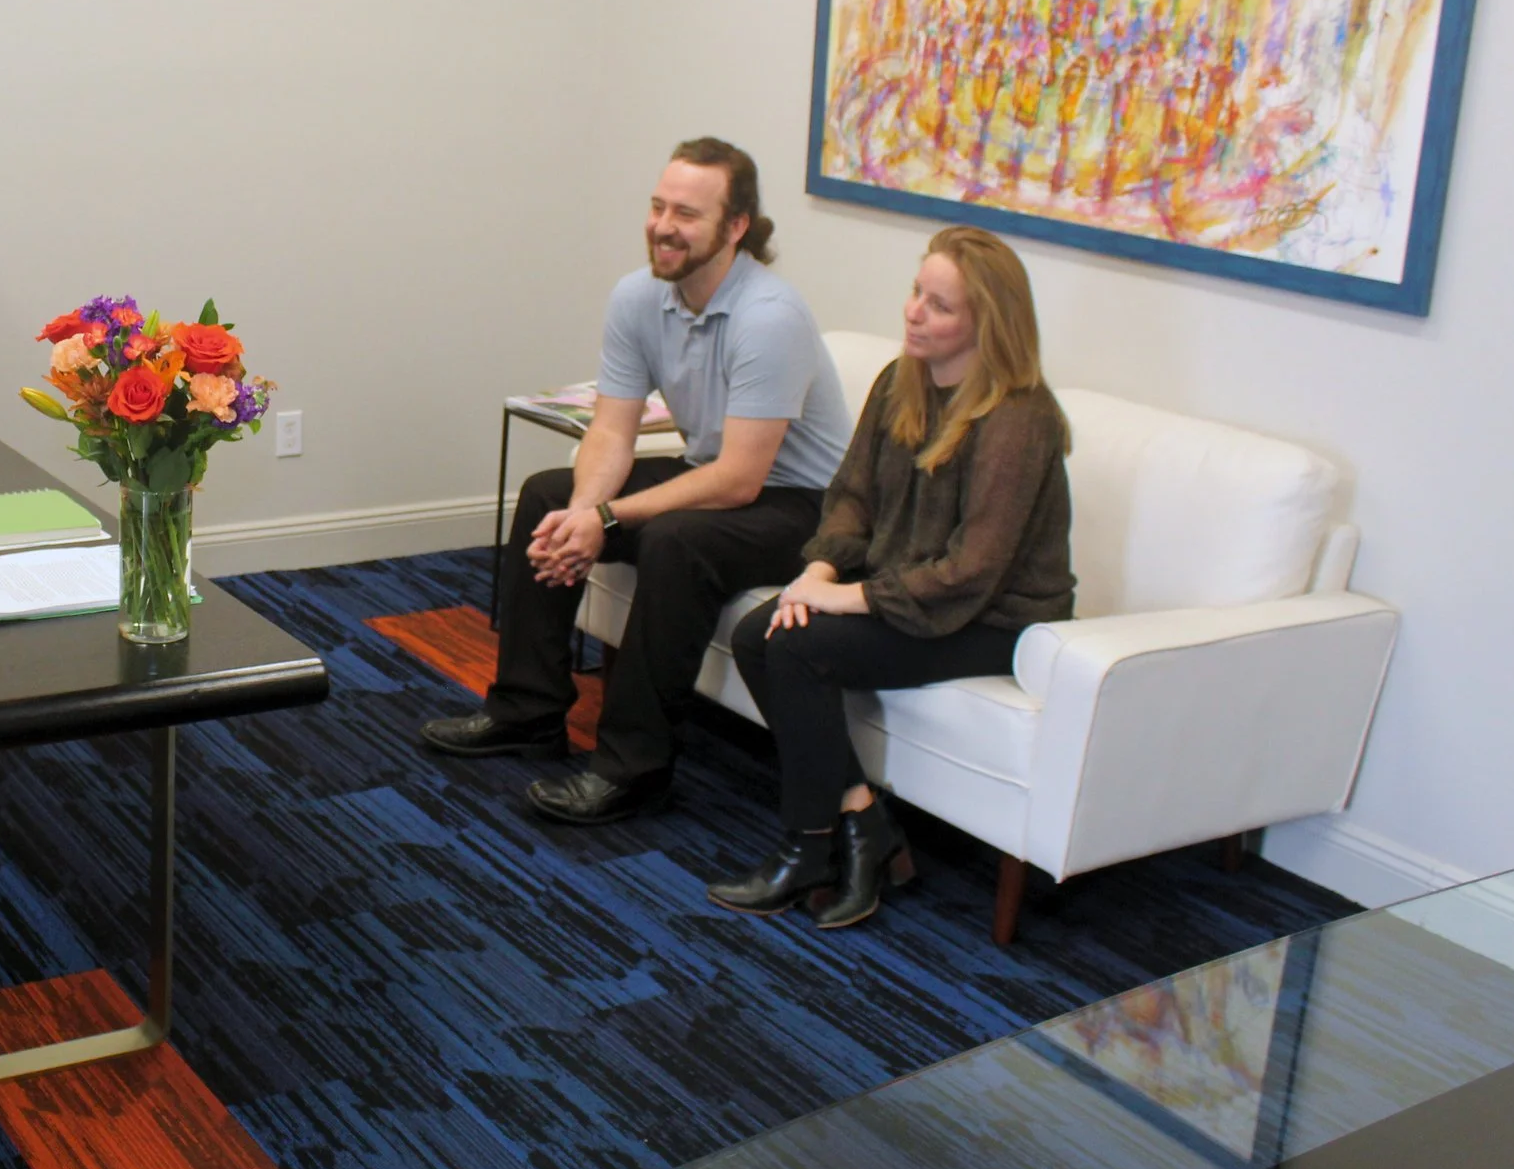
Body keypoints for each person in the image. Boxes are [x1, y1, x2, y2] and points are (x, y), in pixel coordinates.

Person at [418, 139, 851, 825]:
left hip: (805, 508)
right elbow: (613, 431)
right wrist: (584, 511)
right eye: (657, 206)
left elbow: (740, 479)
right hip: (715, 474)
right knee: (547, 494)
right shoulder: (638, 296)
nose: (663, 226)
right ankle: (528, 712)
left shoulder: (770, 317)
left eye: (687, 213)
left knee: (678, 541)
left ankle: (634, 769)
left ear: (735, 226)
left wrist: (611, 521)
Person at [708, 225, 1074, 929]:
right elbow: (852, 495)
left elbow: (973, 570)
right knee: (762, 634)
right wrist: (817, 567)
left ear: (985, 325)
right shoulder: (901, 379)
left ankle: (807, 847)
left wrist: (842, 596)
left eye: (940, 306)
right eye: (916, 292)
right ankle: (862, 820)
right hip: (910, 587)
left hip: (997, 621)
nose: (914, 312)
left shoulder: (1018, 418)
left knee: (796, 644)